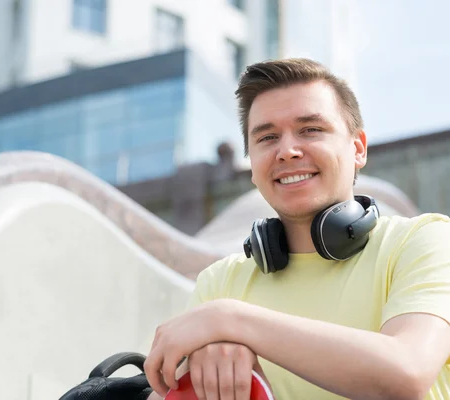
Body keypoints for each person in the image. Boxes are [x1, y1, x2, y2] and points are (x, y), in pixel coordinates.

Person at [144, 58, 450, 399]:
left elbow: (406, 373)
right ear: (252, 167)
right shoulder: (219, 283)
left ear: (358, 148)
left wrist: (233, 322)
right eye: (267, 137)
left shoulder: (423, 240)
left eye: (311, 130)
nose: (287, 151)